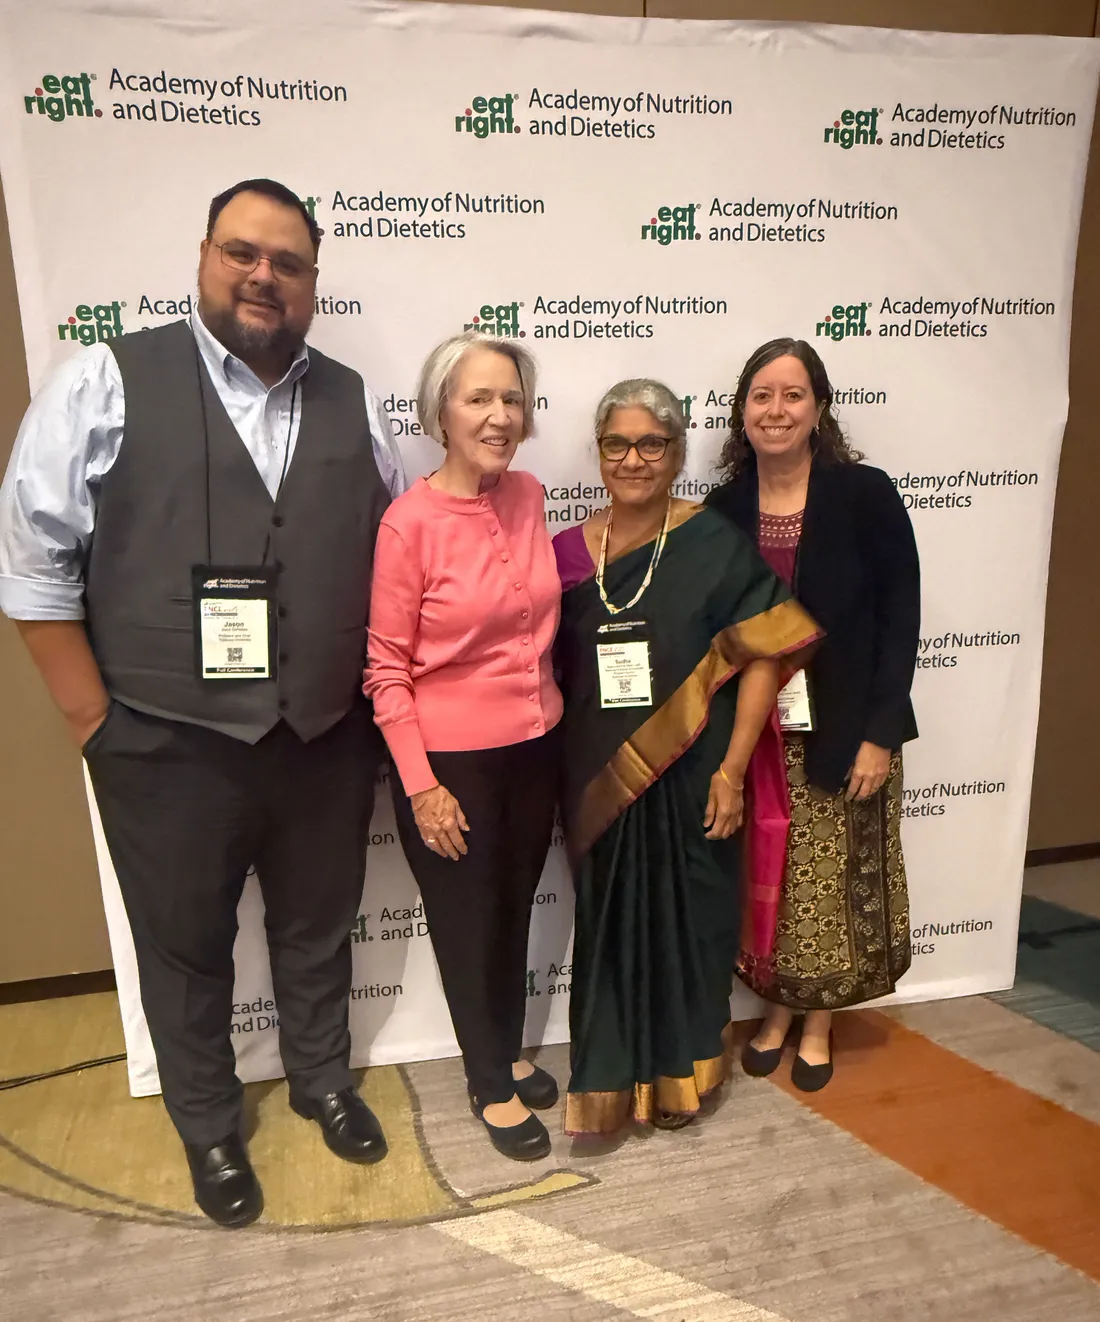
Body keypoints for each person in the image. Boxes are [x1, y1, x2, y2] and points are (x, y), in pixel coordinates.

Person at [0, 178, 406, 1227]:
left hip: (320, 734)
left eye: (288, 261)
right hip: (164, 741)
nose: (263, 275)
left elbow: (392, 553)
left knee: (319, 925)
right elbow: (35, 564)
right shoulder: (106, 378)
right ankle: (210, 1123)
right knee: (185, 945)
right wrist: (96, 723)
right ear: (204, 257)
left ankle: (322, 1079)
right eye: (242, 253)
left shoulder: (356, 399)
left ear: (314, 279)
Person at [552, 380, 820, 1137]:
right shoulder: (567, 553)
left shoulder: (709, 542)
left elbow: (765, 656)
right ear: (598, 452)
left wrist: (734, 771)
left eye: (651, 444)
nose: (632, 460)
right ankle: (610, 1083)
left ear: (675, 454)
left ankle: (686, 1079)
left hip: (699, 777)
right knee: (609, 935)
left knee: (694, 928)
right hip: (600, 780)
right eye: (616, 444)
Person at [364, 331, 561, 1162]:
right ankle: (487, 1081)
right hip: (451, 767)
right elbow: (384, 671)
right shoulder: (407, 525)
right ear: (440, 412)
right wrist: (421, 785)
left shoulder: (530, 495)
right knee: (466, 924)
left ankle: (507, 1048)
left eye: (511, 399)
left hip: (536, 748)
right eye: (479, 398)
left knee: (512, 911)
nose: (499, 415)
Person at [705, 338, 919, 1091]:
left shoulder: (865, 494)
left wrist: (880, 734)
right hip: (755, 735)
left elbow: (901, 615)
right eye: (761, 395)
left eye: (793, 395)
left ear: (819, 408)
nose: (776, 410)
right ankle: (773, 1012)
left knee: (831, 884)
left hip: (847, 727)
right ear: (742, 412)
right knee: (776, 879)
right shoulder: (724, 507)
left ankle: (819, 1023)